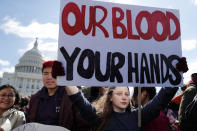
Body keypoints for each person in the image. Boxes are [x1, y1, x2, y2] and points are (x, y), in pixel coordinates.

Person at [26, 60, 89, 131]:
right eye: (46, 73)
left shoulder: (72, 96)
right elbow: (29, 122)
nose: (49, 77)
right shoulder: (34, 98)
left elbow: (83, 124)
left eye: (54, 73)